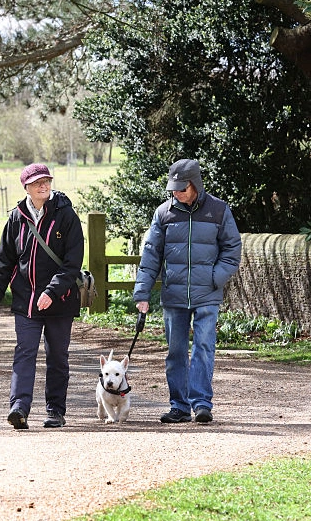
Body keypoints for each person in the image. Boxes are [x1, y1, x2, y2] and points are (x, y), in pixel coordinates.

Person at [133, 158, 242, 424]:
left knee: (204, 347)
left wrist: (215, 278)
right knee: (176, 352)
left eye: (182, 188)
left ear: (195, 184)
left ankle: (202, 403)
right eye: (174, 188)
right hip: (174, 296)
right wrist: (142, 293)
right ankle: (179, 406)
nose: (177, 193)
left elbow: (232, 249)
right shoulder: (163, 213)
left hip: (207, 294)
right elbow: (150, 257)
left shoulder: (218, 210)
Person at [0, 163, 84, 429]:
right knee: (24, 353)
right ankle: (19, 408)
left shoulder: (66, 215)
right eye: (38, 182)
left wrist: (52, 291)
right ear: (26, 187)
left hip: (60, 301)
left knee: (57, 357)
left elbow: (72, 262)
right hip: (26, 302)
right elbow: (4, 262)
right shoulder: (16, 219)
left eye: (47, 181)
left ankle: (55, 411)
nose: (44, 185)